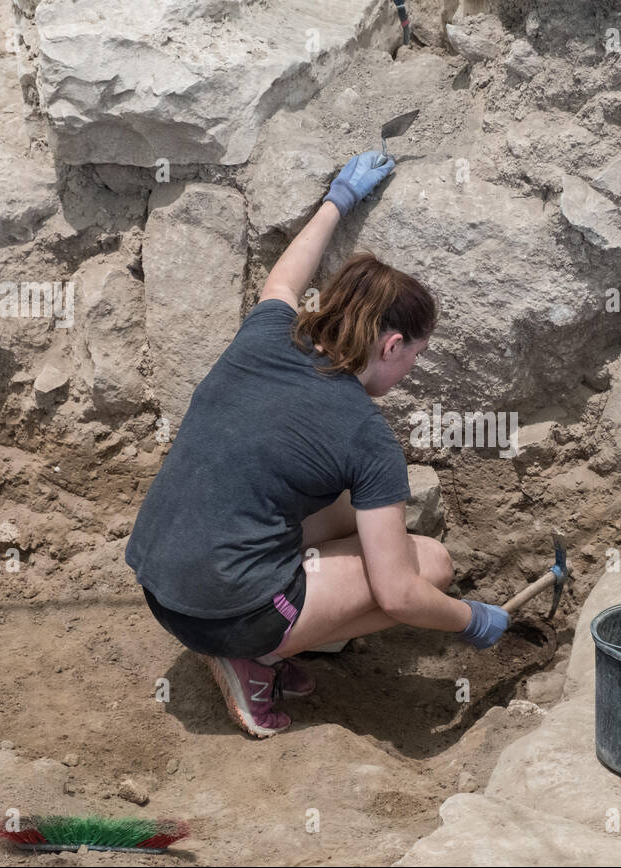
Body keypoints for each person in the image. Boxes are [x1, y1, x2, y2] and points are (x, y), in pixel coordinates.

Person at [125, 150, 511, 738]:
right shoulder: (367, 436)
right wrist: (470, 620)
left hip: (160, 584)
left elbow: (284, 278)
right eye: (415, 355)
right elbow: (399, 594)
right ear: (392, 345)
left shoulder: (265, 335)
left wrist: (340, 199)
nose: (412, 368)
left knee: (339, 508)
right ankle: (257, 657)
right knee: (429, 564)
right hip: (223, 614)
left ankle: (268, 625)